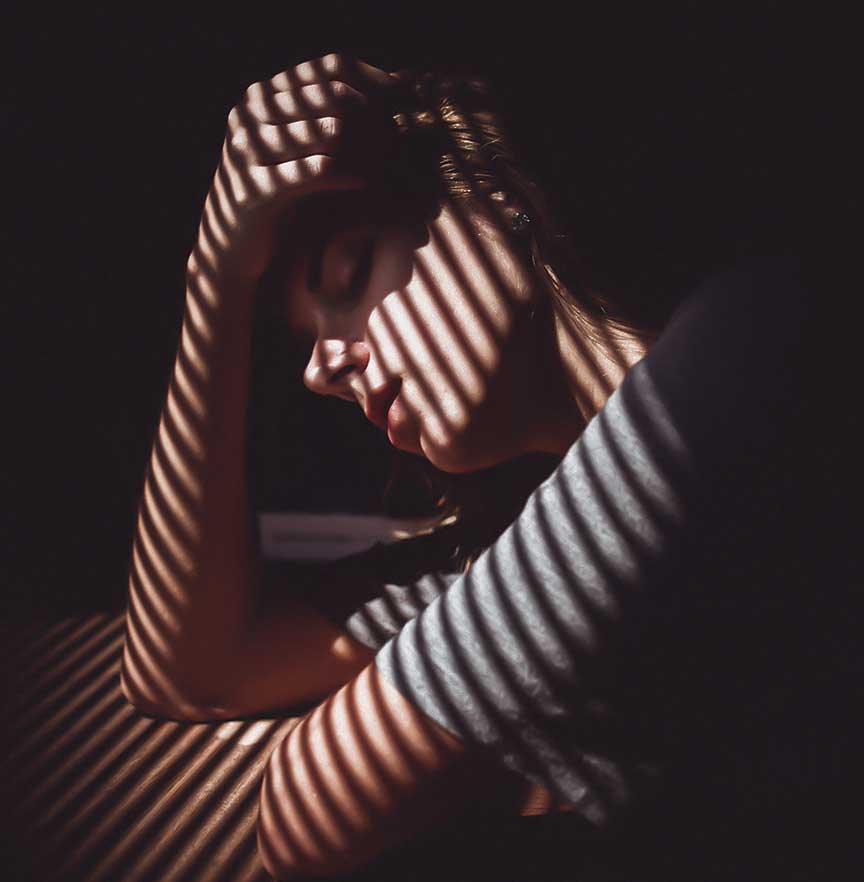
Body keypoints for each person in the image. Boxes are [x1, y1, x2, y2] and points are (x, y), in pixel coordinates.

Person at [118, 54, 846, 880]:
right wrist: (215, 279)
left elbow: (308, 809)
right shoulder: (530, 523)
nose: (322, 371)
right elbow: (192, 673)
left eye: (349, 278)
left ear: (494, 196)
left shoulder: (754, 337)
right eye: (307, 343)